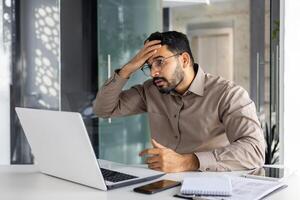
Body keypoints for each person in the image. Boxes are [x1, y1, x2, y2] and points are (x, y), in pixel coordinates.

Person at [93, 31, 265, 173]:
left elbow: (255, 150)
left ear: (184, 60)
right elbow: (103, 109)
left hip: (210, 186)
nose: (154, 72)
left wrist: (189, 162)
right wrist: (128, 68)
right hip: (161, 185)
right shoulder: (151, 90)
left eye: (159, 62)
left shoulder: (227, 94)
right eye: (148, 66)